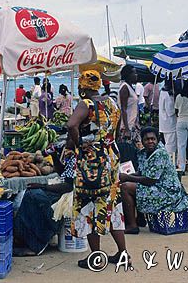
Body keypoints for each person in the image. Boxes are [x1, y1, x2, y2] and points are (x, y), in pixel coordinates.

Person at [66, 70, 128, 270]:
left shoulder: (86, 104)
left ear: (83, 87)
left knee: (90, 206)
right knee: (113, 204)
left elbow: (71, 124)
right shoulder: (112, 103)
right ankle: (122, 253)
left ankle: (96, 257)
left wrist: (79, 144)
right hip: (111, 158)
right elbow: (116, 132)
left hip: (92, 162)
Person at [120, 127, 188, 234]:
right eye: (147, 139)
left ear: (157, 140)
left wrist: (127, 177)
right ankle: (140, 219)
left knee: (125, 187)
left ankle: (132, 225)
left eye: (153, 139)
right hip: (157, 187)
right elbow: (141, 173)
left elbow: (150, 180)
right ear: (142, 141)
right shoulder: (144, 153)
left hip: (168, 193)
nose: (150, 142)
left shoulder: (159, 154)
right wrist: (124, 175)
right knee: (129, 184)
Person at [13, 145, 74, 256]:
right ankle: (23, 237)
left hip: (70, 194)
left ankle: (37, 245)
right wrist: (54, 155)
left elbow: (69, 186)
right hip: (63, 189)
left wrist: (43, 186)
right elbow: (63, 173)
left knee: (34, 196)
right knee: (28, 194)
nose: (67, 140)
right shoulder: (71, 153)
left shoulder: (81, 156)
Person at [118, 65, 140, 167]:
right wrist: (126, 128)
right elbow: (123, 109)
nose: (136, 75)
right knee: (127, 153)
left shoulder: (130, 87)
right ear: (128, 75)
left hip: (132, 125)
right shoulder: (125, 88)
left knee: (135, 152)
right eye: (134, 73)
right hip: (127, 126)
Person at [158, 80, 177, 159]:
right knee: (170, 145)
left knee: (168, 143)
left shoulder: (162, 92)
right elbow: (170, 111)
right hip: (170, 123)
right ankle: (170, 162)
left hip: (164, 122)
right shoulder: (168, 95)